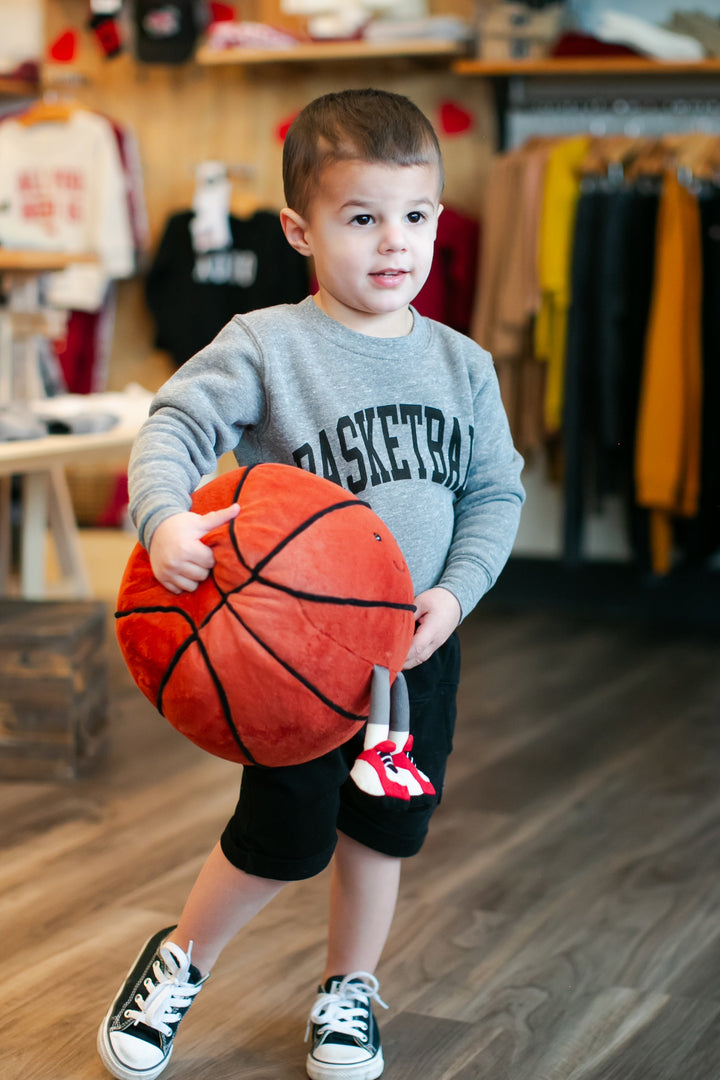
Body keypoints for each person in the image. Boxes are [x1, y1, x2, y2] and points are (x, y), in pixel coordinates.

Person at [97, 87, 525, 1080]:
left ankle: (349, 989)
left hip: (416, 649)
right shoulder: (267, 345)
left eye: (416, 216)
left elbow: (494, 496)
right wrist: (163, 518)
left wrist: (453, 596)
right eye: (361, 216)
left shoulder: (462, 366)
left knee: (386, 825)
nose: (394, 242)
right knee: (282, 834)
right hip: (288, 656)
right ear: (299, 227)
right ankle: (180, 959)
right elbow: (172, 426)